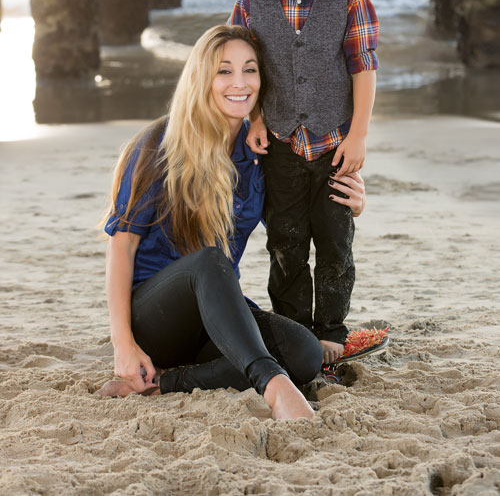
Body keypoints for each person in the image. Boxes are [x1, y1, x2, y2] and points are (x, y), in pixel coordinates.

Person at [95, 25, 366, 420]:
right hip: (154, 318)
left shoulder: (260, 152)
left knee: (305, 354)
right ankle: (274, 389)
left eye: (250, 70)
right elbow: (122, 245)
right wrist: (123, 343)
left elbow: (302, 212)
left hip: (215, 314)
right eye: (224, 71)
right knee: (209, 261)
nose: (239, 83)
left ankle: (160, 385)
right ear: (202, 76)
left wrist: (352, 203)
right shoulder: (161, 144)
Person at [229, 0, 379, 365]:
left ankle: (332, 333)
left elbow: (363, 68)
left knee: (335, 244)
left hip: (335, 144)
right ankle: (296, 335)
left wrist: (357, 136)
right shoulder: (251, 4)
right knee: (286, 245)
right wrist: (253, 118)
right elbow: (241, 68)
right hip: (280, 147)